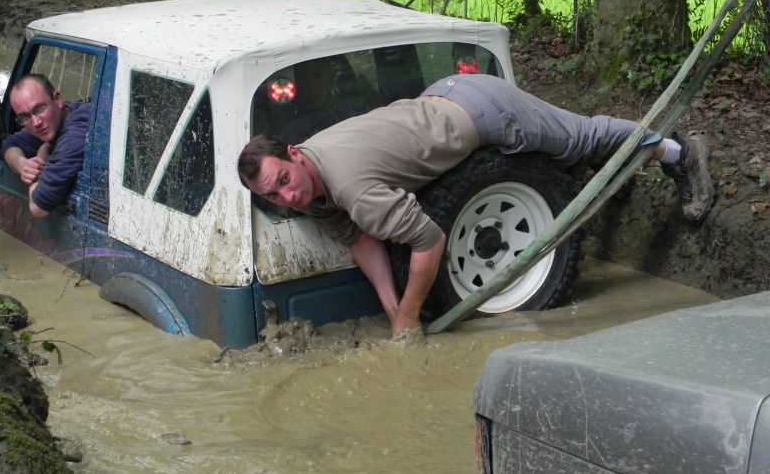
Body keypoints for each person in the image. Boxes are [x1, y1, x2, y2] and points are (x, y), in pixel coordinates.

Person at [238, 74, 715, 337]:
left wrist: (409, 314)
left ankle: (680, 151)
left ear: (295, 154)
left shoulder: (353, 188)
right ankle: (615, 169)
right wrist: (393, 311)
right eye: (273, 196)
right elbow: (360, 239)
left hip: (487, 111)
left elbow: (430, 240)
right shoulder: (307, 182)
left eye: (284, 180)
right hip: (442, 98)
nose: (288, 197)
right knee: (573, 150)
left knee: (582, 139)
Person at [1, 74, 89, 219]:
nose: (36, 122)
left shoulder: (75, 137)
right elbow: (8, 144)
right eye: (25, 116)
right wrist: (22, 164)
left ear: (58, 99)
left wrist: (41, 157)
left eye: (40, 108)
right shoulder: (61, 115)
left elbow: (38, 208)